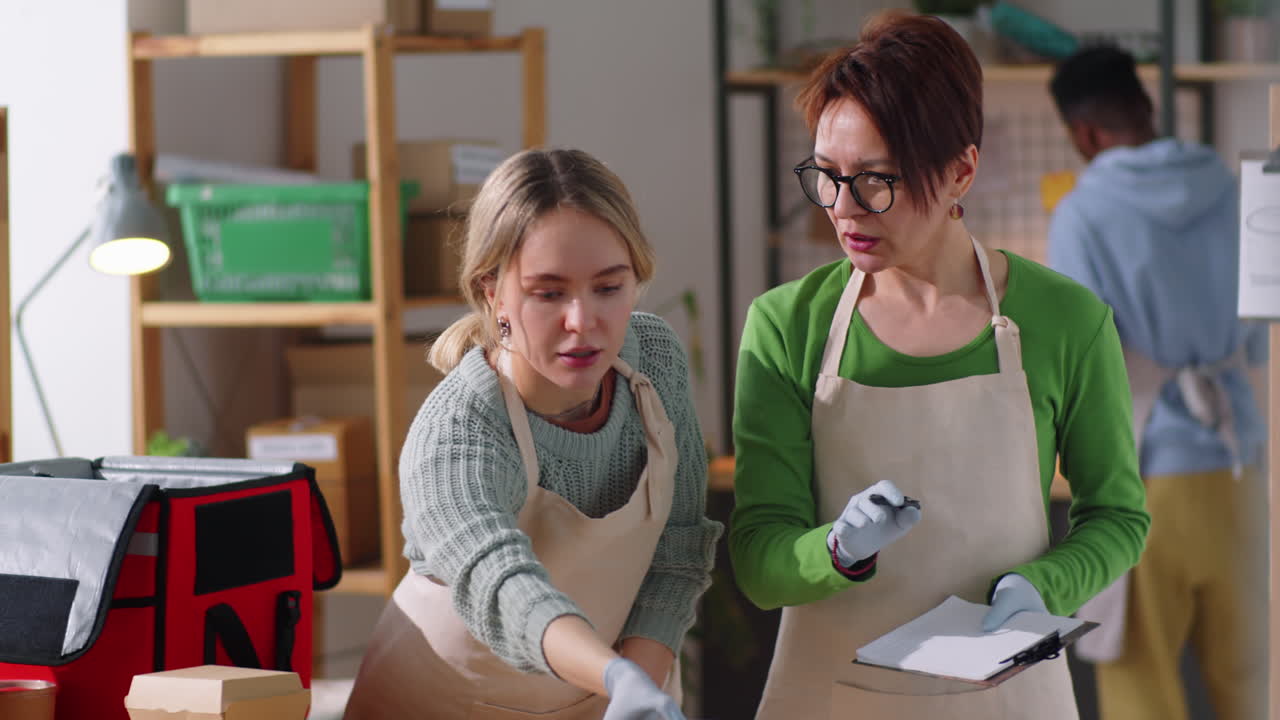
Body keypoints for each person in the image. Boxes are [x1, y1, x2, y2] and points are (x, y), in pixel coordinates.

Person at [728, 11, 1151, 719]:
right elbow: (758, 560)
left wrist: (1039, 587)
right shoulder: (785, 326)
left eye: (874, 181)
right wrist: (833, 549)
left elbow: (1116, 517)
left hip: (1012, 700)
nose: (843, 208)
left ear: (961, 170)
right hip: (827, 697)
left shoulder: (1067, 321)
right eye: (826, 176)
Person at [343, 148, 722, 720]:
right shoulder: (459, 429)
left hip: (603, 694)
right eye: (548, 293)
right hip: (448, 704)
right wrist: (615, 674)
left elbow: (677, 550)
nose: (582, 320)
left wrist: (635, 686)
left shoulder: (656, 363)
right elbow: (504, 586)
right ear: (493, 292)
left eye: (608, 288)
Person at [1047, 46, 1267, 720]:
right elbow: (1257, 339)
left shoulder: (1082, 214)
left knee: (1141, 690)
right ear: (1145, 107)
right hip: (1244, 473)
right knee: (1253, 684)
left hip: (1144, 483)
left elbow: (1084, 365)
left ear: (1083, 133)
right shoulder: (1235, 190)